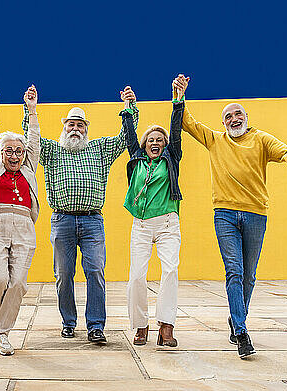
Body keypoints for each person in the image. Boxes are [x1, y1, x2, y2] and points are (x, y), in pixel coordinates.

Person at [174, 74, 287, 358]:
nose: (233, 119)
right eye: (228, 116)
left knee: (249, 276)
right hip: (224, 213)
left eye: (238, 114)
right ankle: (240, 330)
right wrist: (180, 95)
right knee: (234, 270)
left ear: (246, 117)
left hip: (255, 215)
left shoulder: (260, 139)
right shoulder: (215, 140)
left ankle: (236, 317)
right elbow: (187, 123)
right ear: (223, 122)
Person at [22, 93, 130, 344]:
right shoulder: (51, 150)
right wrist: (31, 109)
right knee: (63, 274)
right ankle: (68, 322)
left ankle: (95, 326)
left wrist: (128, 107)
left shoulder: (100, 149)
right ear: (64, 127)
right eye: (71, 124)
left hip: (93, 222)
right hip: (63, 221)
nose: (75, 128)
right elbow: (31, 138)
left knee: (95, 272)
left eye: (80, 124)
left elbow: (126, 138)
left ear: (86, 129)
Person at [122, 77, 187, 348]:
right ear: (145, 143)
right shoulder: (136, 158)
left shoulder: (171, 158)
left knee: (170, 271)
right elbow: (129, 134)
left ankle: (166, 325)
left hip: (168, 223)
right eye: (152, 139)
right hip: (141, 224)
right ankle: (141, 325)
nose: (156, 142)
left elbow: (175, 130)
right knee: (137, 275)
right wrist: (129, 106)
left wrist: (178, 99)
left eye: (160, 139)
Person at [0, 85, 41, 355]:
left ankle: (2, 331)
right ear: (2, 154)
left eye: (18, 151)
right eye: (9, 151)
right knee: (0, 280)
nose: (14, 156)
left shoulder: (28, 169)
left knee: (18, 284)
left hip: (24, 226)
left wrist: (32, 110)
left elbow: (34, 140)